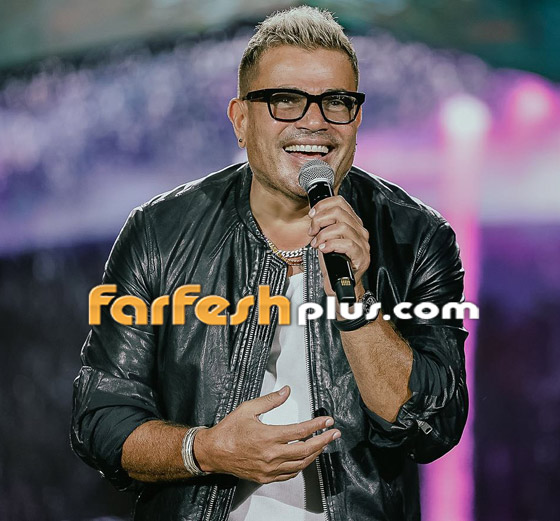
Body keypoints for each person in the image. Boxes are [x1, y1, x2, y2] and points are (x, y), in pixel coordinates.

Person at [71, 6, 468, 520]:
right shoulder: (159, 234)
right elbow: (101, 419)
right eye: (285, 100)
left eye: (336, 102)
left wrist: (356, 303)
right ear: (240, 119)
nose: (314, 121)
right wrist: (206, 450)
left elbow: (433, 427)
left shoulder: (418, 238)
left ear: (356, 119)